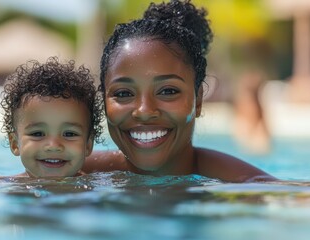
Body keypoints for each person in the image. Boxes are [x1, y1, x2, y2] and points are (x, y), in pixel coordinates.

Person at [82, 0, 276, 182]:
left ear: (198, 100)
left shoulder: (247, 186)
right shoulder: (73, 171)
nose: (144, 110)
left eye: (167, 91)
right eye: (123, 93)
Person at [0, 57, 104, 178]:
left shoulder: (95, 189)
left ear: (88, 145)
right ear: (15, 144)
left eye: (69, 134)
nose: (53, 146)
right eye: (38, 134)